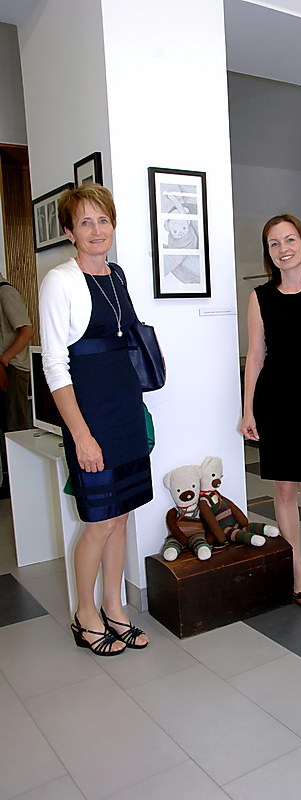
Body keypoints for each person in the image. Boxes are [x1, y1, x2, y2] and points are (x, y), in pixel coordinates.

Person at [39, 184, 152, 656]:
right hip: (90, 418)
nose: (96, 229)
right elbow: (54, 366)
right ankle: (85, 614)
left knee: (121, 516)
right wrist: (81, 435)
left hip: (125, 411)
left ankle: (114, 606)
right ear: (70, 232)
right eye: (85, 222)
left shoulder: (117, 275)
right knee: (99, 521)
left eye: (102, 220)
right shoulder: (59, 281)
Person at [241, 214, 301, 614]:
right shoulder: (260, 297)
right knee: (283, 491)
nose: (283, 249)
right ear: (268, 252)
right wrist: (247, 410)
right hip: (276, 402)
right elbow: (256, 356)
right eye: (274, 243)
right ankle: (296, 567)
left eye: (289, 240)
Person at [0, 271, 34, 489]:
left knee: (16, 428)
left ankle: (23, 484)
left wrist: (5, 358)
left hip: (13, 369)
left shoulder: (5, 293)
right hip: (5, 367)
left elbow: (27, 331)